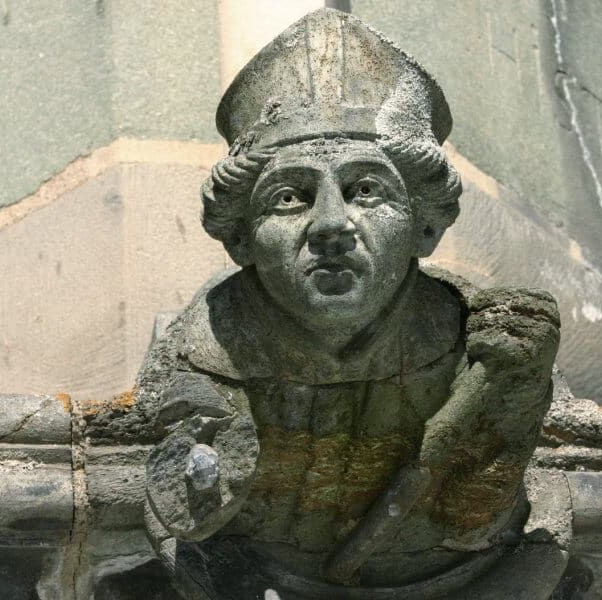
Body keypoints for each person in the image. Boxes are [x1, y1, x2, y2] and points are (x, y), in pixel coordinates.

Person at [89, 8, 561, 599]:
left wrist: (513, 395)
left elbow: (486, 512)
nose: (332, 225)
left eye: (368, 190)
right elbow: (181, 514)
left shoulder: (476, 344)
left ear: (425, 227)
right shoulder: (207, 349)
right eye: (290, 196)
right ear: (240, 240)